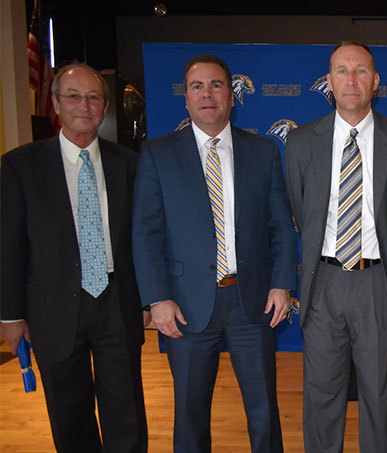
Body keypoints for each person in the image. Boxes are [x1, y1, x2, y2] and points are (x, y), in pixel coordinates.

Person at [132, 54, 297, 452]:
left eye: (217, 85)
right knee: (189, 412)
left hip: (252, 302)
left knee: (263, 411)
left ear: (231, 96)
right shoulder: (157, 154)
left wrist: (281, 286)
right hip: (186, 304)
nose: (208, 95)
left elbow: (281, 225)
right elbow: (145, 233)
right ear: (186, 99)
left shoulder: (263, 151)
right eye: (197, 87)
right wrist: (157, 299)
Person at [284, 41, 387, 453]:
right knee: (321, 392)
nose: (351, 80)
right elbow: (299, 207)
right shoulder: (301, 141)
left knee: (380, 392)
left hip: (378, 281)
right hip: (322, 281)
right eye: (341, 71)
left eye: (360, 71)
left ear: (376, 82)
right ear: (328, 81)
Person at [1, 63, 148, 452]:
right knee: (69, 415)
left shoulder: (130, 164)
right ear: (55, 103)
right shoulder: (20, 166)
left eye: (93, 97)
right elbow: (10, 246)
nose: (84, 105)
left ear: (104, 106)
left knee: (126, 411)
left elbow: (144, 239)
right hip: (52, 307)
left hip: (118, 302)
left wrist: (149, 298)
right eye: (73, 96)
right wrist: (11, 315)